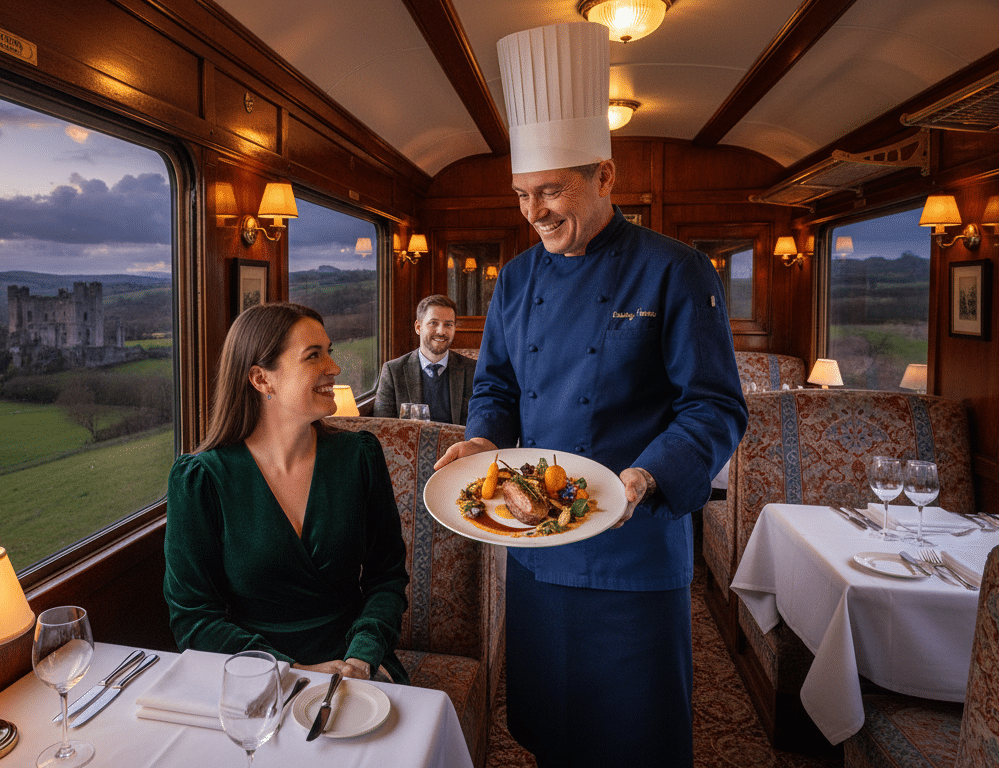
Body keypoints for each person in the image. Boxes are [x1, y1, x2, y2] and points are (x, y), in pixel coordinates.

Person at [434, 22, 747, 766]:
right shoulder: (513, 279)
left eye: (551, 190)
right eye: (521, 194)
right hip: (538, 549)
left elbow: (715, 408)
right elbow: (499, 385)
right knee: (552, 725)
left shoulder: (676, 271)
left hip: (634, 549)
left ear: (605, 177)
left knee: (634, 735)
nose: (534, 211)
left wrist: (642, 478)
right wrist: (482, 437)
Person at [164, 302, 409, 683]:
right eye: (314, 356)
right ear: (262, 380)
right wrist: (292, 672)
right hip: (253, 673)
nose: (334, 367)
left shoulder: (360, 456)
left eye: (329, 351)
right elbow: (194, 619)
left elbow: (386, 577)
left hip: (356, 663)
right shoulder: (200, 480)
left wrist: (362, 656)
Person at [374, 295, 475, 425]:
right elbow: (382, 426)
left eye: (448, 324)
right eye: (434, 323)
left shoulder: (473, 370)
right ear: (418, 327)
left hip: (458, 444)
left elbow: (479, 422)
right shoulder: (393, 371)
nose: (441, 331)